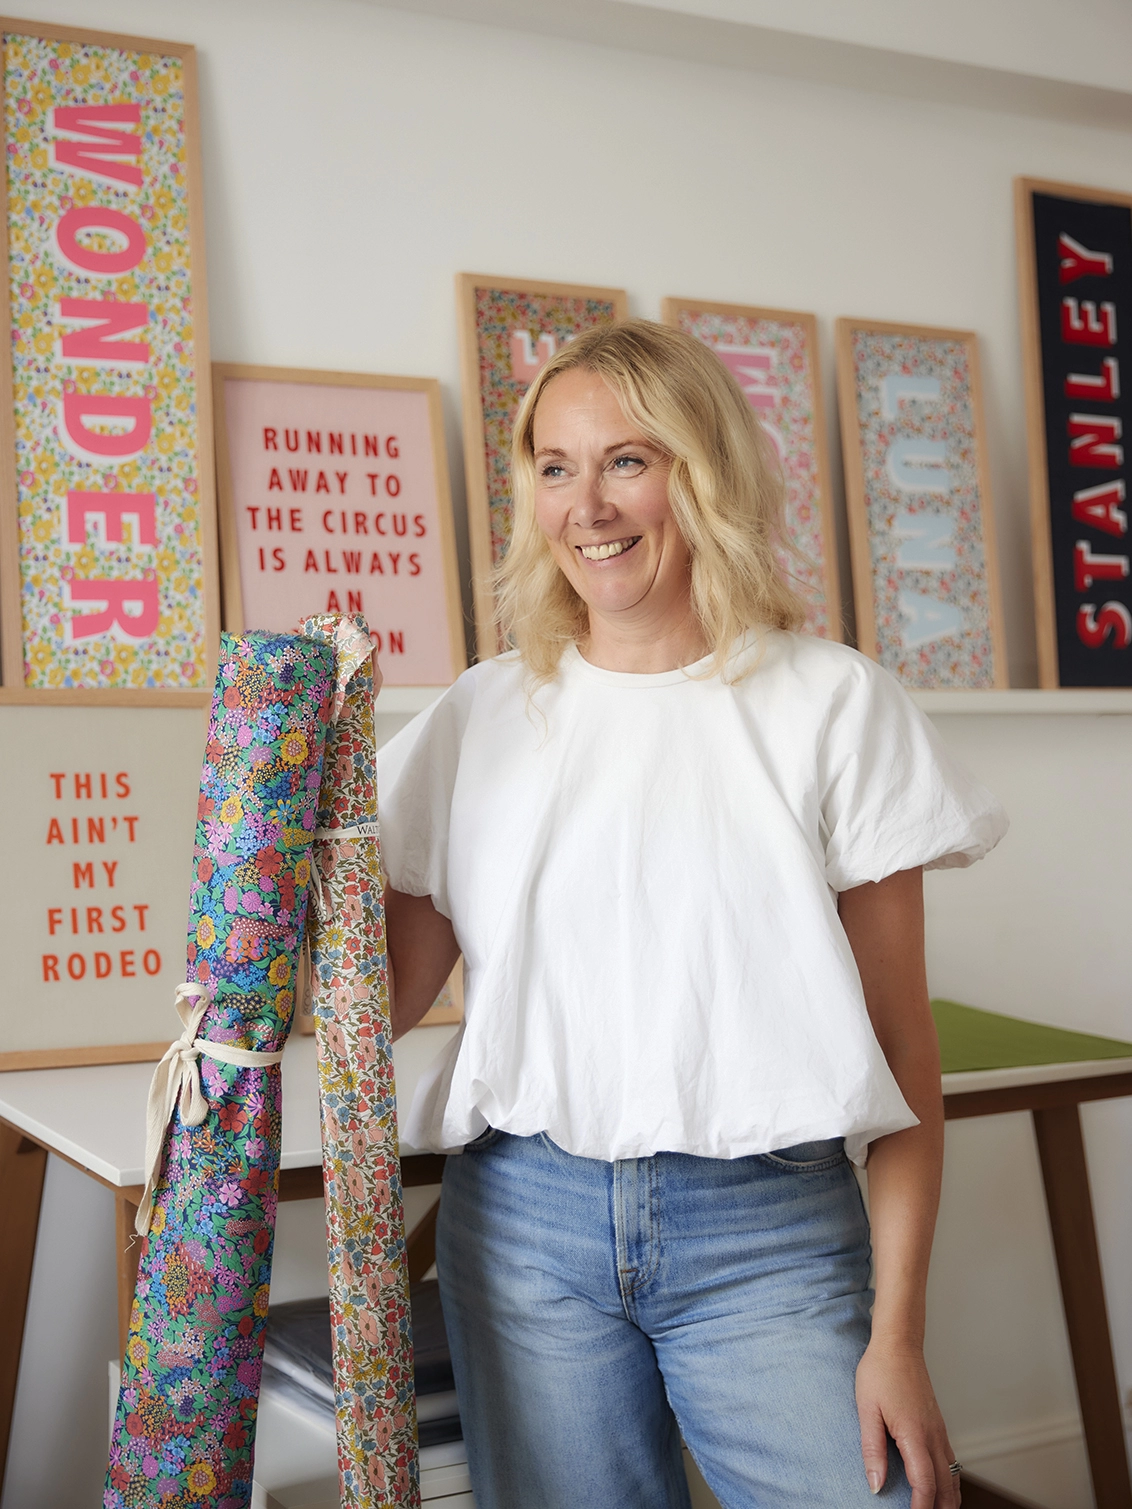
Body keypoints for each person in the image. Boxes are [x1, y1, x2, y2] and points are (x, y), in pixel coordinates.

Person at [377, 319, 1006, 1509]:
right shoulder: (479, 716)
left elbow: (905, 1057)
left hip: (766, 1232)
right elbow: (378, 995)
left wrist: (899, 1338)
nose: (588, 506)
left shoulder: (832, 704)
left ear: (701, 470)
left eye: (627, 460)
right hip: (524, 1229)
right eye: (555, 467)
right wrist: (253, 884)